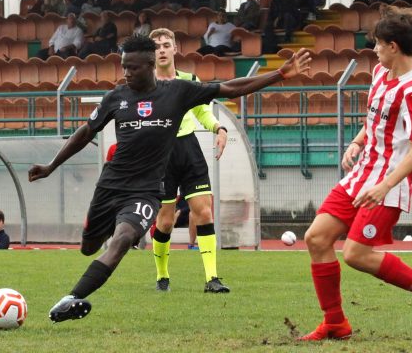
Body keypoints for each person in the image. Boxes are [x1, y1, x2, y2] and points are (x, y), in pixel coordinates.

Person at [28, 34, 311, 323]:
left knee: (123, 239)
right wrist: (52, 165)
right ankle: (95, 229)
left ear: (150, 65)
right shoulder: (116, 97)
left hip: (146, 191)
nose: (126, 73)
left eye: (133, 68)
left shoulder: (177, 91)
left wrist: (279, 73)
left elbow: (229, 88)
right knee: (89, 248)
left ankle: (71, 299)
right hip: (110, 186)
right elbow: (86, 132)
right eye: (124, 66)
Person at [299, 6, 412, 341]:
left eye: (379, 44)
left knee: (355, 253)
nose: (374, 49)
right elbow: (374, 121)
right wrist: (356, 141)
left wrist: (385, 186)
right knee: (316, 238)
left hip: (387, 186)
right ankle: (335, 322)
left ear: (394, 46)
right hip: (360, 175)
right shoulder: (381, 74)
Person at [150, 27, 229, 292]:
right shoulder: (144, 84)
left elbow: (203, 112)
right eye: (157, 46)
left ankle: (212, 278)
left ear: (175, 48)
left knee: (204, 211)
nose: (161, 50)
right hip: (161, 154)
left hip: (189, 149)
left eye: (165, 44)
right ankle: (162, 276)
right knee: (165, 221)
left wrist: (219, 128)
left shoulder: (188, 79)